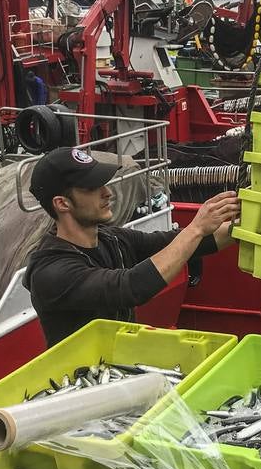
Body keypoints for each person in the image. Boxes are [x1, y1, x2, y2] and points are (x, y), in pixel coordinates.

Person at [24, 146, 240, 346]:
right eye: (92, 187)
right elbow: (131, 288)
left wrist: (246, 225)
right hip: (80, 379)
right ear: (62, 203)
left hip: (119, 363)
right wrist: (196, 229)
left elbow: (175, 242)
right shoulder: (51, 272)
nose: (107, 193)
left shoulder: (111, 239)